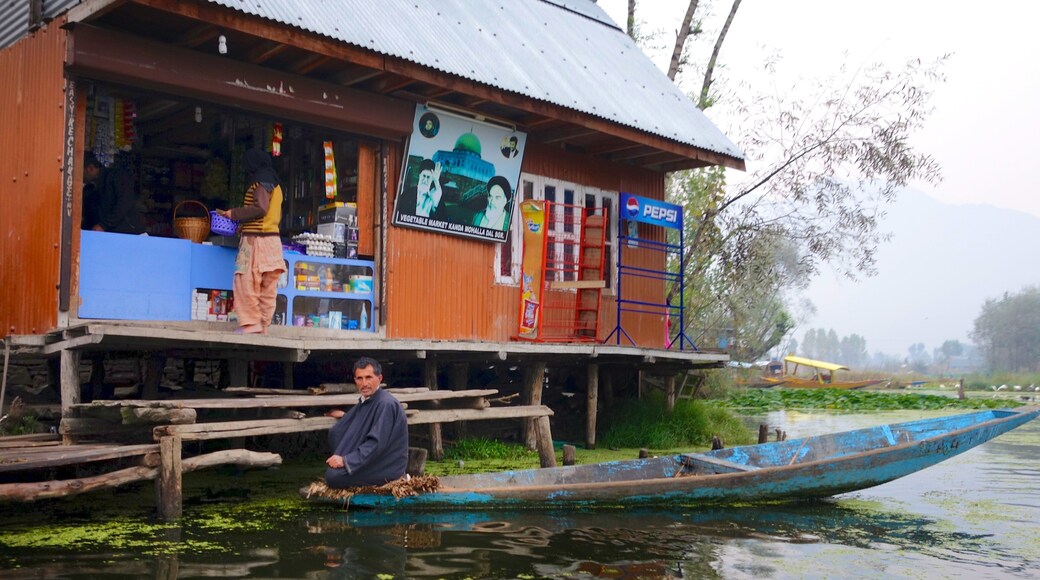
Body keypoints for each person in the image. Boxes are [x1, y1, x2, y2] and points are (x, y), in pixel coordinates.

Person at [216, 149, 285, 334]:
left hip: (256, 240)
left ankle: (251, 323)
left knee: (245, 280)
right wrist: (244, 224)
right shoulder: (277, 185)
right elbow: (273, 214)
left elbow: (261, 208)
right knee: (268, 285)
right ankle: (263, 325)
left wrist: (234, 214)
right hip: (273, 241)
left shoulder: (260, 182)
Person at [324, 357, 409, 488]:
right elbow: (362, 422)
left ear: (379, 378)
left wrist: (346, 461)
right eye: (360, 378)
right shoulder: (367, 400)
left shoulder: (386, 404)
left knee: (333, 477)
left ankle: (399, 477)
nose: (364, 383)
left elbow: (376, 443)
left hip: (386, 466)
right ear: (355, 380)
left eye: (368, 377)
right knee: (338, 430)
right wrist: (345, 417)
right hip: (373, 461)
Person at [85, 153, 144, 234]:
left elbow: (124, 203)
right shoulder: (90, 189)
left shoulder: (116, 176)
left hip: (128, 232)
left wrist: (103, 225)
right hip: (104, 234)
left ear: (90, 168)